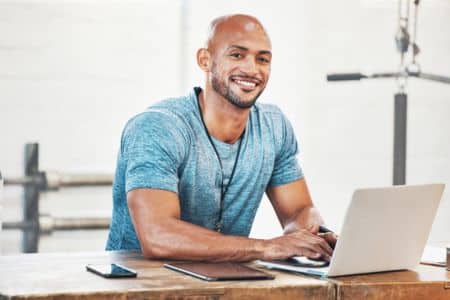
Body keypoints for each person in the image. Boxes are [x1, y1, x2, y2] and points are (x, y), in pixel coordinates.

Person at [106, 14, 336, 262]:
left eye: (262, 59)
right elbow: (157, 236)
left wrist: (317, 236)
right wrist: (265, 247)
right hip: (139, 284)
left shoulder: (274, 127)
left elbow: (298, 211)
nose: (252, 69)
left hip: (222, 279)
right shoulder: (159, 127)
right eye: (237, 55)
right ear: (205, 60)